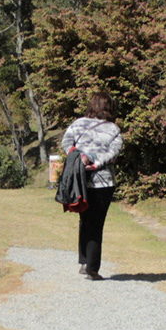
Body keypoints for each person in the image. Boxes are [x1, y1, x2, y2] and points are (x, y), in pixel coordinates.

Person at [62, 92, 123, 280]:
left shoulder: (78, 123)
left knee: (85, 219)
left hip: (78, 179)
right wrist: (96, 162)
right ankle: (92, 268)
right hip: (103, 181)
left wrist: (78, 158)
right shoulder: (114, 129)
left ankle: (84, 261)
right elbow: (114, 152)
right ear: (109, 108)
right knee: (96, 224)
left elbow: (66, 142)